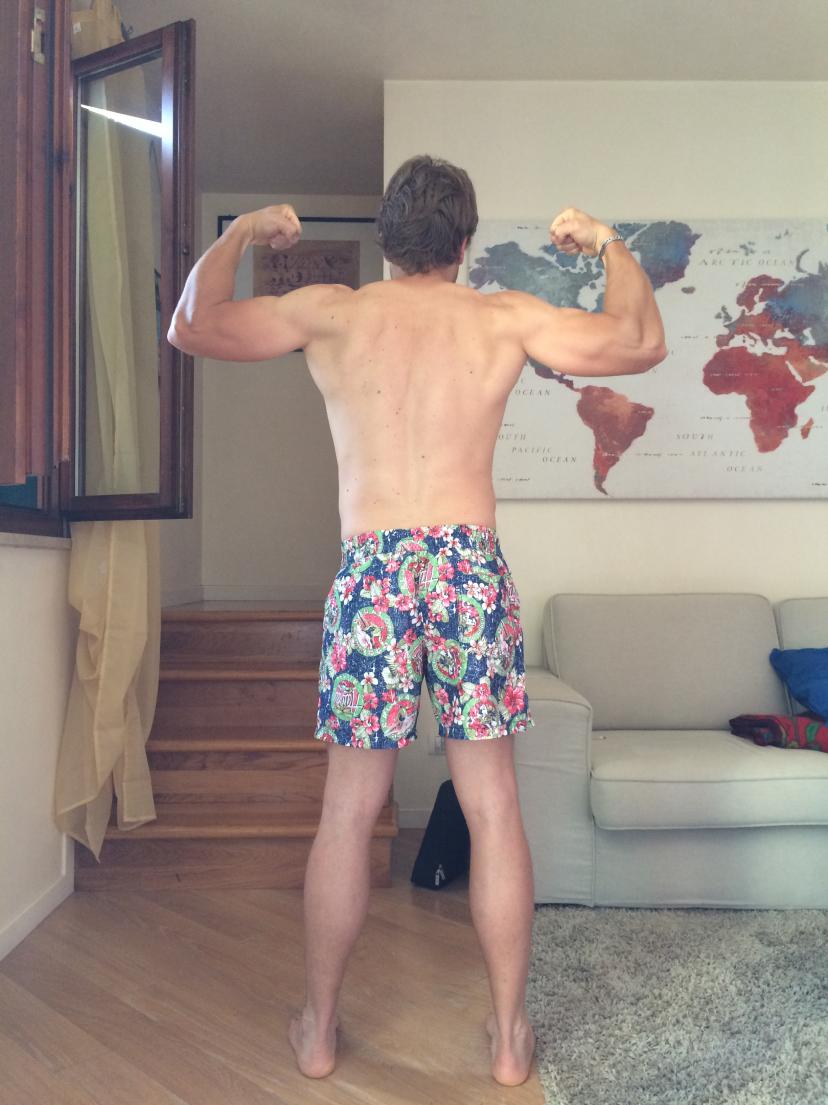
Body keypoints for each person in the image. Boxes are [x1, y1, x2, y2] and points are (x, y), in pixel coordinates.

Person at [168, 154, 667, 1087]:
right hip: (468, 565)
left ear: (387, 240)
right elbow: (641, 341)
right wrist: (605, 243)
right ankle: (510, 1040)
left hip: (374, 568)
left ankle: (319, 1030)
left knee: (348, 811)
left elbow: (191, 323)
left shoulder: (333, 312)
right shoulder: (502, 316)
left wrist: (243, 230)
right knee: (494, 807)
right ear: (464, 243)